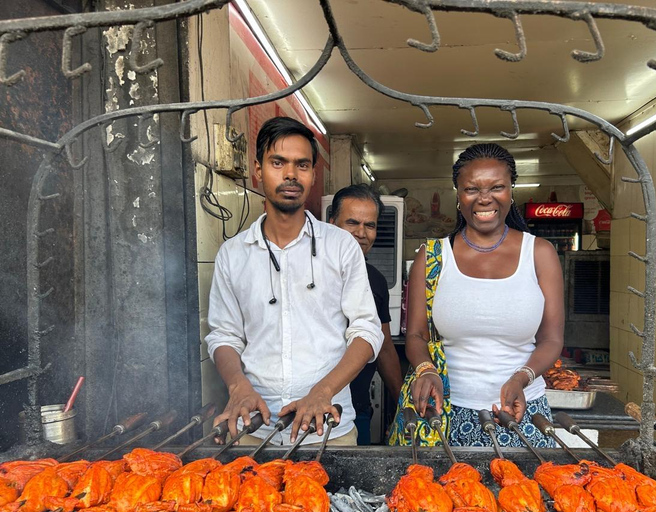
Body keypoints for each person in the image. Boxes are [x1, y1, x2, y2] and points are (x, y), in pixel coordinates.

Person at [205, 117, 383, 446]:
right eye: (278, 163)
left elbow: (367, 331)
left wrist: (322, 391)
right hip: (253, 429)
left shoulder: (340, 246)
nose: (290, 174)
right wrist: (237, 386)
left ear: (314, 175)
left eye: (302, 165)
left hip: (328, 430)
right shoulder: (233, 254)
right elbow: (224, 335)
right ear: (258, 169)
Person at [391, 143, 564, 447]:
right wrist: (425, 369)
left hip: (522, 411)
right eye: (472, 188)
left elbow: (551, 339)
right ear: (458, 196)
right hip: (444, 413)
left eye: (497, 187)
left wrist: (522, 377)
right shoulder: (432, 257)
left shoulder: (539, 253)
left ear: (511, 192)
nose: (484, 198)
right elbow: (416, 334)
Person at [328, 184, 404, 444]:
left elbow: (383, 348)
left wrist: (401, 403)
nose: (361, 233)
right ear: (331, 224)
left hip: (354, 410)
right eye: (352, 223)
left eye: (369, 225)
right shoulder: (311, 274)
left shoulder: (376, 281)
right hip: (308, 407)